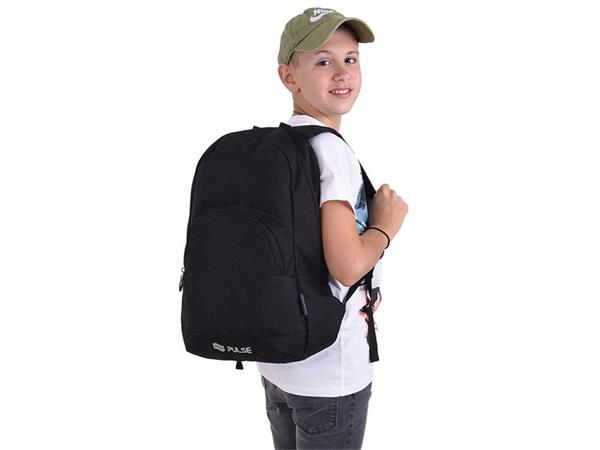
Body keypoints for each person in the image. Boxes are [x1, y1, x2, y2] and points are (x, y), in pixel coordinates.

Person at [256, 7, 409, 450]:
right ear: (289, 77)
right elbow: (347, 265)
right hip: (330, 371)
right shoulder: (330, 151)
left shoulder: (278, 146)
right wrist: (384, 225)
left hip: (279, 362)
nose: (342, 73)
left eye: (351, 59)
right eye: (323, 61)